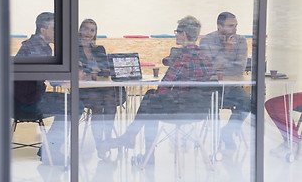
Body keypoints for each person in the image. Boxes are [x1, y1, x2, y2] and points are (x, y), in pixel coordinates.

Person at [113, 16, 213, 163]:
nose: (175, 35)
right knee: (151, 97)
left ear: (183, 34)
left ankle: (141, 147)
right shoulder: (206, 56)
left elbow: (164, 87)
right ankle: (132, 136)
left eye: (177, 32)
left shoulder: (182, 57)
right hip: (200, 110)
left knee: (150, 100)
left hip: (180, 110)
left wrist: (159, 94)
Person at [14, 12, 83, 165]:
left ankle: (49, 147)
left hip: (22, 100)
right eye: (54, 29)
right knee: (75, 105)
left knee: (72, 102)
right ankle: (50, 149)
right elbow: (55, 81)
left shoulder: (34, 45)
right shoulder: (39, 49)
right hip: (27, 104)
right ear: (43, 30)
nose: (58, 33)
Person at [200, 12, 251, 150]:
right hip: (210, 88)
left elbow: (239, 68)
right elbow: (207, 69)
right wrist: (227, 51)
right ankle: (215, 141)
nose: (234, 29)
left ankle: (227, 132)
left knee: (249, 100)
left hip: (231, 88)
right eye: (230, 26)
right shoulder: (206, 41)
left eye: (235, 25)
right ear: (219, 26)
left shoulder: (241, 41)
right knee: (213, 102)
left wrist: (220, 67)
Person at [78, 19, 117, 160]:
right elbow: (77, 70)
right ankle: (100, 143)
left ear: (95, 33)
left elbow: (105, 68)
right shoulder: (73, 48)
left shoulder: (99, 49)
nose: (89, 33)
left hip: (102, 86)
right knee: (98, 105)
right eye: (86, 29)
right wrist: (93, 69)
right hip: (84, 89)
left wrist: (92, 69)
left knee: (110, 99)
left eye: (92, 30)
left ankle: (106, 139)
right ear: (80, 30)